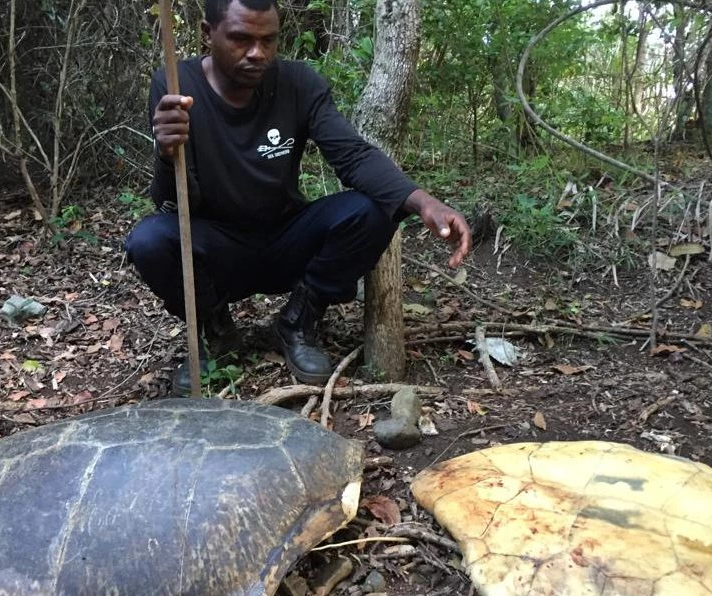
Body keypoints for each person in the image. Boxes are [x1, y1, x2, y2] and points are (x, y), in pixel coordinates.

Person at [126, 0, 471, 395]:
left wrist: (423, 201)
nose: (257, 53)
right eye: (241, 39)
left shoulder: (298, 83)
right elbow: (171, 202)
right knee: (149, 240)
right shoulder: (175, 85)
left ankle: (298, 321)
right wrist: (167, 153)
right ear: (208, 34)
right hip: (216, 248)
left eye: (268, 40)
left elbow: (352, 154)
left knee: (373, 211)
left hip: (286, 238)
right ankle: (213, 330)